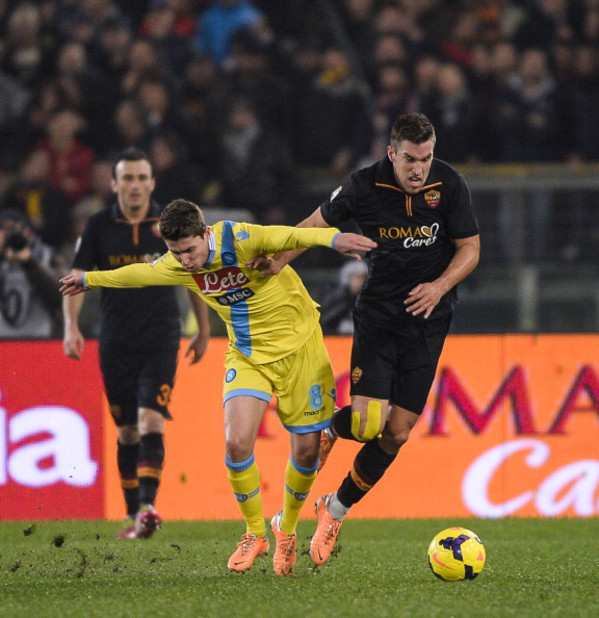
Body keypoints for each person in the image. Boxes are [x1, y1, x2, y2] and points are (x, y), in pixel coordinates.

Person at [59, 198, 376, 575]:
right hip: (247, 357)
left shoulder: (241, 240)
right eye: (176, 252)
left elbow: (291, 233)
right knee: (236, 442)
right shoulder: (177, 266)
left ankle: (286, 528)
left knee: (307, 454)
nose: (185, 260)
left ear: (206, 234)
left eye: (190, 250)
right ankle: (255, 533)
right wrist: (87, 279)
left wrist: (335, 240)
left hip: (300, 351)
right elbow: (137, 274)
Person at [254, 112, 480, 566]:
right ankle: (331, 431)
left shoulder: (449, 184)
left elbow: (470, 247)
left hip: (430, 319)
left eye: (428, 158)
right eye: (412, 159)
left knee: (397, 433)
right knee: (366, 424)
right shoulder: (364, 185)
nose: (420, 169)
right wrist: (279, 260)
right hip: (379, 314)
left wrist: (438, 287)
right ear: (392, 153)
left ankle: (333, 510)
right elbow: (316, 222)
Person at [61, 148, 211, 540]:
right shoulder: (97, 226)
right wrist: (70, 326)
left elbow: (193, 270)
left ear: (152, 182)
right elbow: (77, 277)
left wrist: (203, 327)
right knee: (126, 430)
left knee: (150, 420)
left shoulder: (168, 224)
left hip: (161, 335)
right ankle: (133, 516)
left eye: (142, 177)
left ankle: (147, 507)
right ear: (114, 184)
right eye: (127, 178)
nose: (135, 185)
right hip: (116, 339)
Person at [0, 208, 64, 339]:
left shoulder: (48, 256)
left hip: (39, 338)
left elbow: (62, 296)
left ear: (27, 231)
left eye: (13, 230)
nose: (10, 236)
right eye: (4, 231)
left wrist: (29, 263)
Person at [319, 260, 367, 335]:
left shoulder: (370, 300)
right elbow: (325, 321)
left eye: (363, 278)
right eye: (357, 278)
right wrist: (349, 298)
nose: (360, 282)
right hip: (336, 339)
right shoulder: (335, 296)